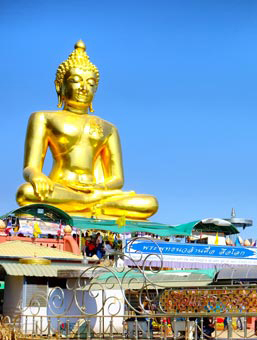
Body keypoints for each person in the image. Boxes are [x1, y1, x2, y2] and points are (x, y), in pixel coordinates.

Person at [16, 40, 158, 220]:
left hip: (98, 191)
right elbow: (30, 167)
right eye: (75, 81)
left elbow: (117, 179)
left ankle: (87, 203)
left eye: (90, 83)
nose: (84, 88)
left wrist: (99, 189)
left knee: (150, 203)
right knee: (26, 192)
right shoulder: (43, 118)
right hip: (60, 188)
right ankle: (89, 204)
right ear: (60, 85)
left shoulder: (109, 128)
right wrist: (36, 176)